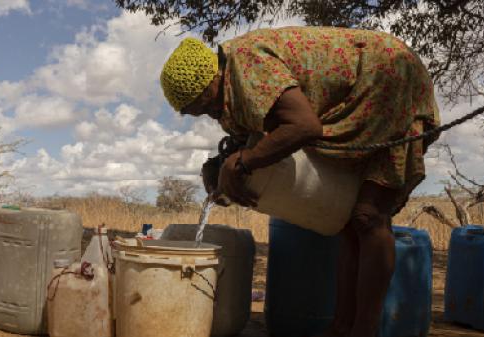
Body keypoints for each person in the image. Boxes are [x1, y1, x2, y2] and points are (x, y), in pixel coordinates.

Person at [160, 26, 440, 337]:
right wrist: (219, 172)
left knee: (369, 216)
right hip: (357, 101)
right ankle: (341, 327)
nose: (206, 114)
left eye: (202, 103)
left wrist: (244, 162)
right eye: (193, 112)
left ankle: (364, 330)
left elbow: (305, 126)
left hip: (389, 80)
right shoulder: (227, 97)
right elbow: (252, 142)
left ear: (211, 78)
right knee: (349, 222)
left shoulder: (247, 65)